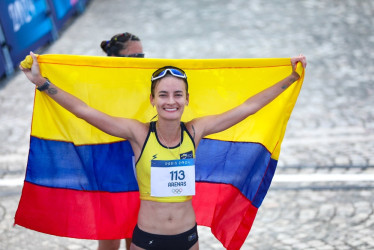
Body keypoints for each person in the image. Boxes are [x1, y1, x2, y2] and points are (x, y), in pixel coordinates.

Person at [20, 52, 306, 250]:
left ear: (187, 99)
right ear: (153, 100)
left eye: (178, 94)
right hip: (147, 240)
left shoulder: (195, 131)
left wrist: (290, 78)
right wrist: (42, 83)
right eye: (164, 95)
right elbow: (84, 111)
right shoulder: (139, 133)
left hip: (188, 238)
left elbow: (247, 108)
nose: (171, 101)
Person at [97, 32, 144, 250]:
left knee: (136, 236)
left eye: (141, 57)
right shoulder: (99, 87)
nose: (140, 63)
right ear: (115, 59)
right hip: (108, 169)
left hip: (137, 169)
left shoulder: (145, 85)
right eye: (133, 57)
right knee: (110, 238)